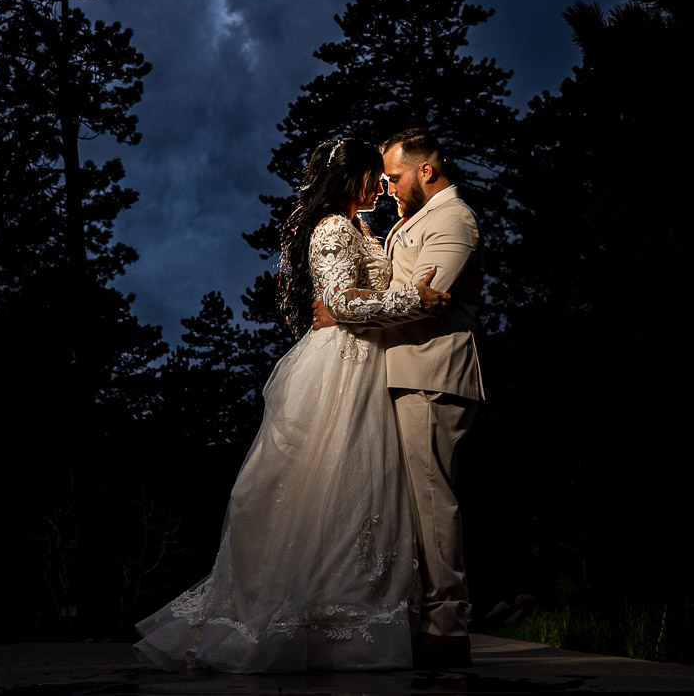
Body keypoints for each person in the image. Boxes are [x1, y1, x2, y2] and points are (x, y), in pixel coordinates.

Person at [133, 136, 449, 673]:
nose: (381, 185)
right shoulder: (331, 229)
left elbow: (346, 302)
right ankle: (304, 620)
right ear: (352, 179)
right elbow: (345, 303)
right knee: (323, 483)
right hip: (340, 368)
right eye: (374, 176)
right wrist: (412, 299)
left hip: (365, 364)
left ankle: (344, 616)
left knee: (356, 492)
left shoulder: (359, 228)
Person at [313, 128, 483, 670]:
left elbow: (428, 302)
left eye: (394, 177)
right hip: (394, 373)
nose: (386, 188)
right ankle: (410, 616)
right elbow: (400, 289)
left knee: (432, 503)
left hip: (429, 373)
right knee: (400, 507)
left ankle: (448, 626)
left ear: (426, 171)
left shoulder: (453, 220)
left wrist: (345, 308)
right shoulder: (407, 223)